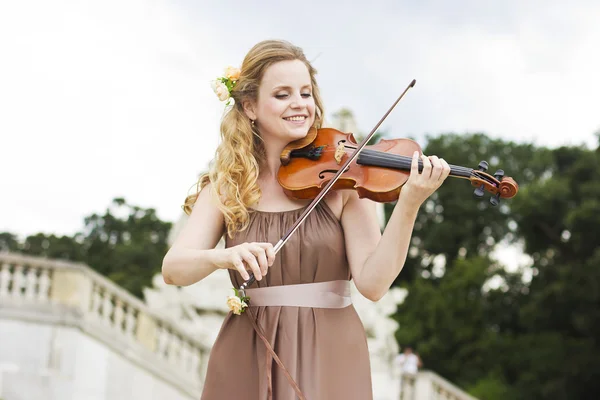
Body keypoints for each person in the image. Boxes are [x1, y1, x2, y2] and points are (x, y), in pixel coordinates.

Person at [161, 39, 450, 400]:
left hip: (330, 348)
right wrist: (222, 257)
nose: (300, 103)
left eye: (306, 92)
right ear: (249, 106)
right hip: (246, 345)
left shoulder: (344, 180)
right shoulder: (227, 187)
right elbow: (174, 268)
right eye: (282, 94)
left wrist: (409, 204)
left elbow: (374, 285)